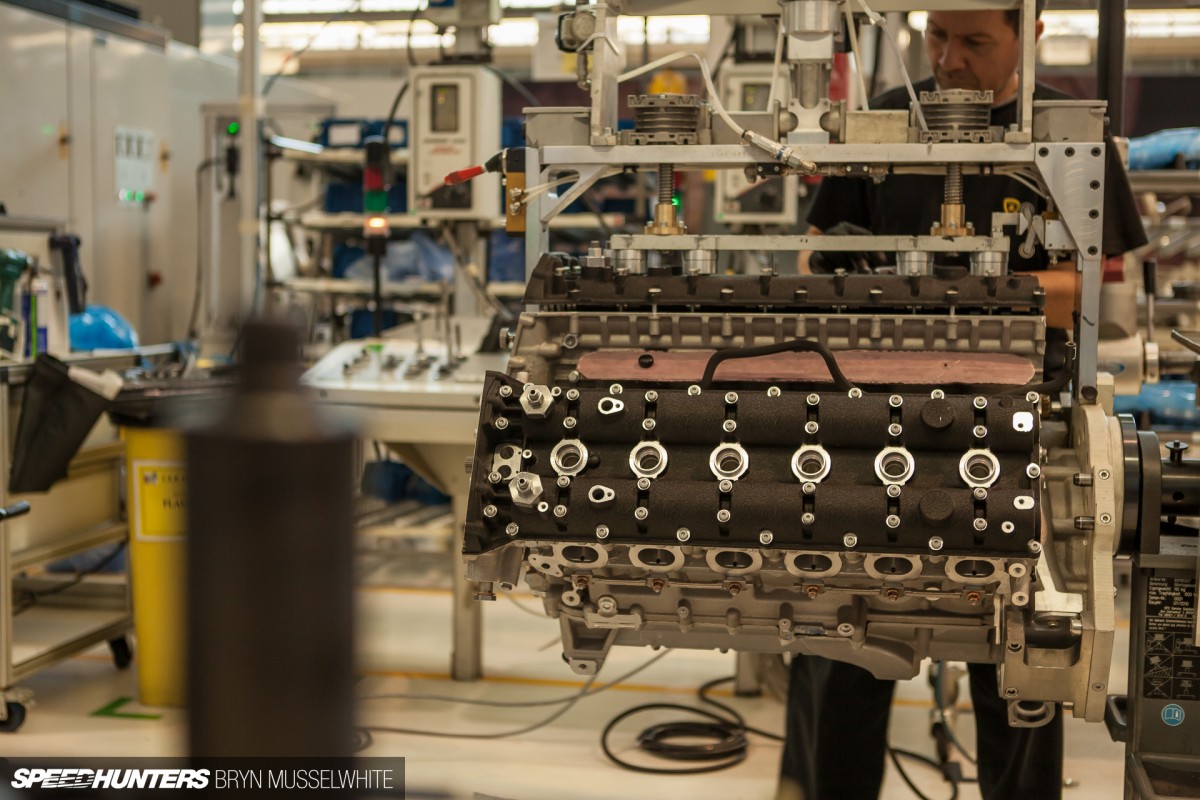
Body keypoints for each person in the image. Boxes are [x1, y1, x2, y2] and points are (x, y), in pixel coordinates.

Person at [780, 5, 1147, 800]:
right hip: (865, 420)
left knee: (1019, 653)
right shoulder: (881, 131)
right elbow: (819, 257)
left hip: (1020, 427)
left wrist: (938, 291)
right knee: (841, 635)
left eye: (976, 41)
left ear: (1029, 33)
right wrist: (977, 293)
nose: (950, 60)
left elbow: (1090, 294)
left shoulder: (1065, 134)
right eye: (938, 37)